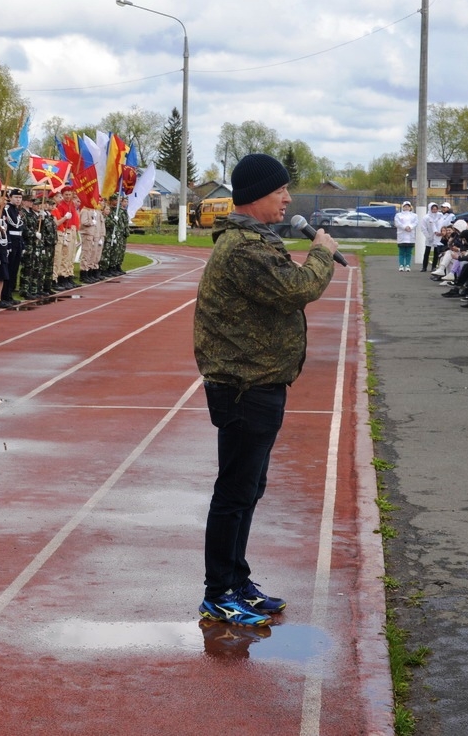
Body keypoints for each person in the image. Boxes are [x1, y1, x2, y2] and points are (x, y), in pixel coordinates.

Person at [193, 153, 339, 628]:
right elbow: (296, 288)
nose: (289, 199)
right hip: (243, 386)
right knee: (235, 492)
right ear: (257, 195)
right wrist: (320, 250)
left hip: (258, 382)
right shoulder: (244, 248)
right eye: (281, 191)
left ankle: (236, 579)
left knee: (249, 488)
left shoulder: (254, 240)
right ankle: (219, 592)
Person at [393, 200, 418, 270]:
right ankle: (401, 265)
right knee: (401, 251)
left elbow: (416, 223)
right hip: (402, 235)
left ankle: (407, 265)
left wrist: (410, 227)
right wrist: (404, 227)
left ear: (410, 207)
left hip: (410, 235)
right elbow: (397, 223)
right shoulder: (398, 215)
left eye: (408, 206)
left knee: (409, 252)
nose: (406, 208)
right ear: (403, 207)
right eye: (405, 206)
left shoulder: (414, 215)